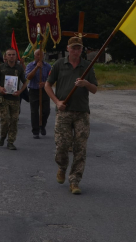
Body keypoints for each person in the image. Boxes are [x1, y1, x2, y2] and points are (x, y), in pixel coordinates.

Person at [45, 37, 98, 195]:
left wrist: (85, 84)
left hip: (82, 112)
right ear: (68, 48)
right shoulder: (59, 64)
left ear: (82, 50)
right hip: (64, 111)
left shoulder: (87, 66)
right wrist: (56, 101)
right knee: (62, 145)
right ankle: (62, 166)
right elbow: (48, 85)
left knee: (80, 149)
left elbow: (94, 89)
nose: (76, 51)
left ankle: (74, 180)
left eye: (79, 48)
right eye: (73, 48)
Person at [0, 49, 28, 150]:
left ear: (16, 56)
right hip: (4, 97)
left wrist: (20, 92)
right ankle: (3, 136)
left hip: (15, 98)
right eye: (9, 55)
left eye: (13, 55)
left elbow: (25, 82)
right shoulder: (1, 67)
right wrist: (0, 88)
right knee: (5, 120)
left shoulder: (19, 68)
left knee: (14, 121)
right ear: (6, 57)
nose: (11, 56)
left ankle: (11, 141)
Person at [25, 49, 52, 138]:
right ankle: (35, 131)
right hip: (33, 90)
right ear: (34, 56)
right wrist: (36, 67)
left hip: (44, 90)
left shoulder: (48, 66)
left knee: (46, 110)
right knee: (34, 111)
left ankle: (42, 125)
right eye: (37, 55)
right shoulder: (30, 65)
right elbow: (28, 77)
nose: (39, 56)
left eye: (41, 55)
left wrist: (45, 83)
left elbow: (52, 79)